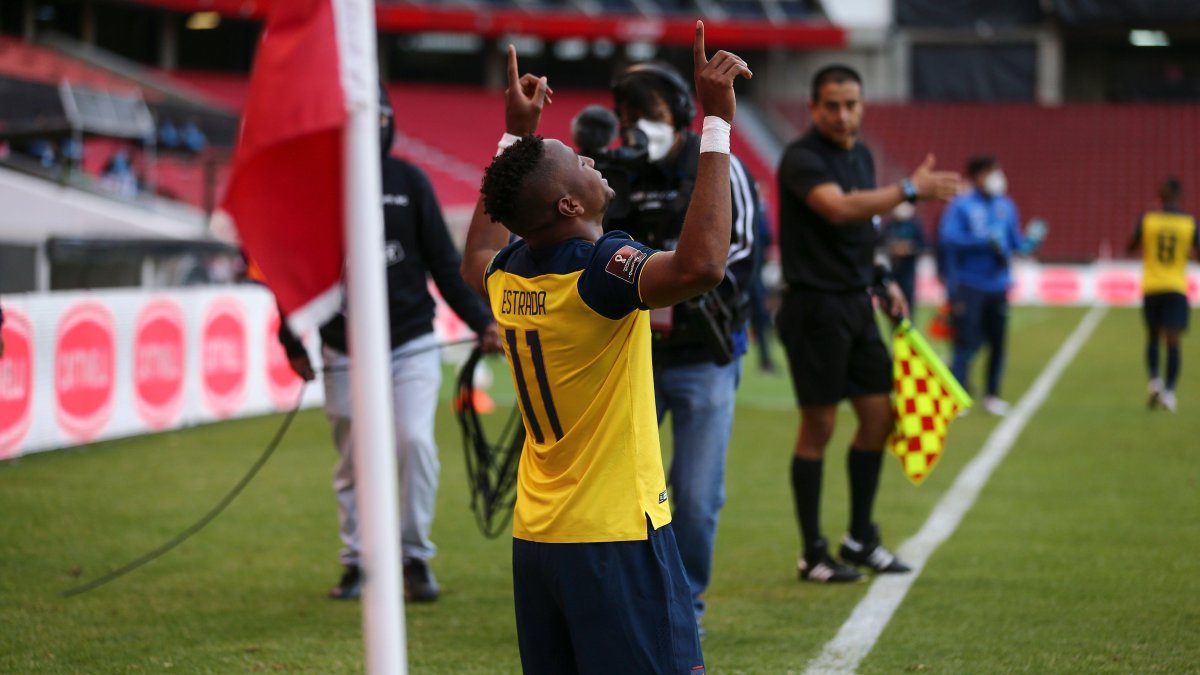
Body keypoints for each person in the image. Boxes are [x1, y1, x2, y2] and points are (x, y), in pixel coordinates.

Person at [460, 25, 751, 672]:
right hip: (615, 533)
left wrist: (514, 136)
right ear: (568, 202)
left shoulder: (508, 273)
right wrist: (716, 124)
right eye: (577, 161)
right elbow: (703, 266)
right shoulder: (599, 269)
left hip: (538, 537)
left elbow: (475, 253)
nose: (592, 160)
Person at [279, 85, 501, 602]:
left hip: (410, 341)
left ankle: (413, 556)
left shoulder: (409, 182)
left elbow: (444, 263)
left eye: (379, 116)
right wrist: (291, 339)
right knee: (353, 454)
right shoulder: (316, 187)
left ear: (389, 120)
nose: (371, 126)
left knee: (414, 442)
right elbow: (293, 274)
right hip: (343, 347)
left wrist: (482, 320)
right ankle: (357, 561)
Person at [776, 64, 960, 583]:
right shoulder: (802, 157)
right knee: (820, 427)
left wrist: (882, 276)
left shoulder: (860, 155)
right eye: (832, 105)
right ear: (814, 108)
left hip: (857, 305)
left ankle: (859, 538)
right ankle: (813, 553)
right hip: (814, 308)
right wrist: (909, 189)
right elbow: (839, 209)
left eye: (851, 104)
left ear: (862, 106)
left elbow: (861, 227)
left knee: (879, 419)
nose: (842, 115)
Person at [600, 57, 760, 626]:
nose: (635, 126)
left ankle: (684, 602)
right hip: (629, 355)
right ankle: (623, 594)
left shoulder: (716, 165)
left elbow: (741, 250)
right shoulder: (614, 174)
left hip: (700, 355)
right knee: (617, 483)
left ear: (681, 113)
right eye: (626, 116)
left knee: (695, 492)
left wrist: (677, 287)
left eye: (648, 112)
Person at [939, 155, 1045, 416]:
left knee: (998, 342)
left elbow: (1016, 244)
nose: (998, 177)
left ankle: (992, 395)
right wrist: (982, 240)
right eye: (991, 172)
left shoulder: (1006, 205)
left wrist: (1030, 242)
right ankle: (959, 393)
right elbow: (948, 238)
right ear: (977, 176)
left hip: (999, 285)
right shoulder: (962, 205)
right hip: (969, 284)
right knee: (965, 342)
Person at [1126, 177, 1197, 413]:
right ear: (1180, 197)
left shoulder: (1148, 219)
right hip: (1176, 287)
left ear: (1160, 196)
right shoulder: (1189, 223)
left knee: (1153, 336)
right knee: (1173, 341)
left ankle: (1155, 380)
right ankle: (1170, 393)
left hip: (1152, 286)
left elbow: (1131, 246)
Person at [884, 201, 927, 312]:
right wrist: (893, 248)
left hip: (909, 267)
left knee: (908, 295)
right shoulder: (890, 225)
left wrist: (910, 248)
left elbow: (923, 245)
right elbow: (882, 243)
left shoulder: (915, 224)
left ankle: (908, 318)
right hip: (894, 266)